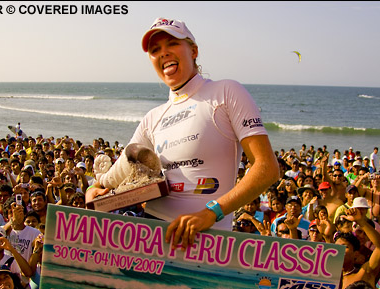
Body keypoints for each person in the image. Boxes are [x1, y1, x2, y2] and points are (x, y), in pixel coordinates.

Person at [86, 17, 279, 250]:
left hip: (208, 243)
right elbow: (121, 169)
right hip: (153, 239)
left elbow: (267, 167)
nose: (164, 53)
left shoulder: (226, 93)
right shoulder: (153, 118)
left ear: (194, 50)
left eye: (172, 44)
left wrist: (211, 213)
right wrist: (93, 188)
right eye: (155, 50)